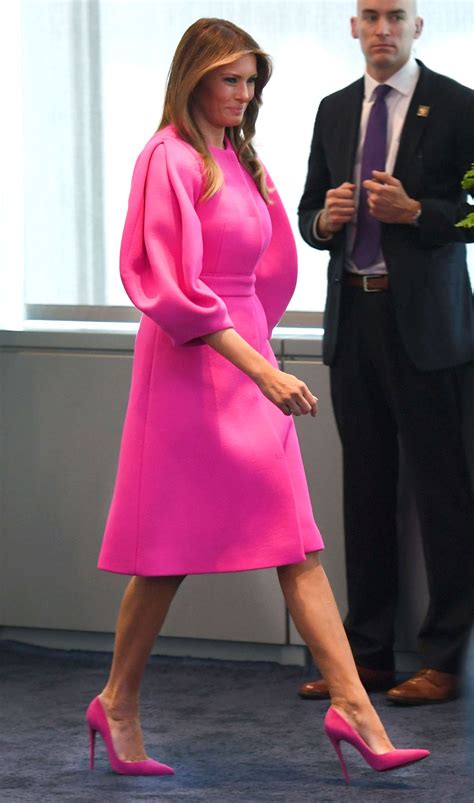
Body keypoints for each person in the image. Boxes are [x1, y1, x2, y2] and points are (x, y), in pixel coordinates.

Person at [86, 17, 429, 781]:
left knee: (296, 541)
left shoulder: (241, 157)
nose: (242, 95)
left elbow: (265, 267)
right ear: (193, 78)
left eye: (250, 82)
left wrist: (264, 356)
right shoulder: (165, 158)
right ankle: (117, 702)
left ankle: (356, 710)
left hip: (247, 356)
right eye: (228, 80)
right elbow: (173, 288)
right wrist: (263, 369)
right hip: (190, 364)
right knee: (164, 556)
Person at [298, 0, 474, 705]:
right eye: (369, 15)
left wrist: (420, 214)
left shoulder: (459, 106)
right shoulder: (335, 108)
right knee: (365, 494)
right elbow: (310, 210)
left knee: (443, 496)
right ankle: (365, 654)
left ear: (417, 27)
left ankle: (444, 658)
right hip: (354, 318)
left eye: (395, 16)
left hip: (429, 331)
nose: (381, 29)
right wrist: (324, 218)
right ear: (353, 27)